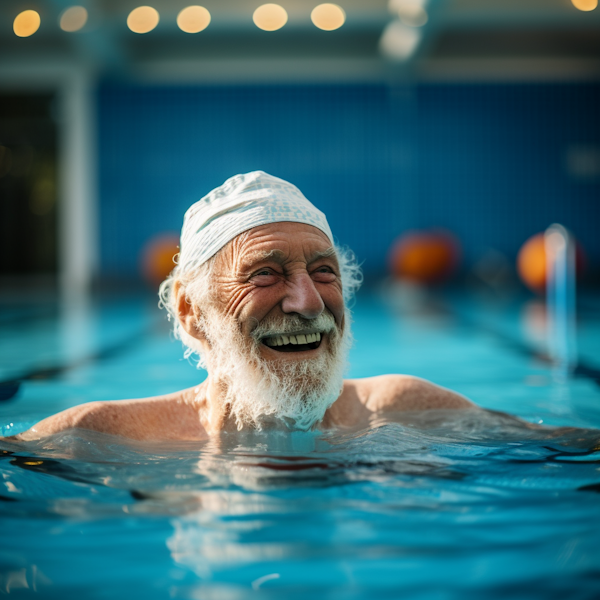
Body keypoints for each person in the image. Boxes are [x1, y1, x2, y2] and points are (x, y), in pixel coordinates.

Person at [16, 171, 474, 442]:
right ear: (191, 311)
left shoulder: (406, 412)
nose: (309, 303)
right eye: (264, 274)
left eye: (323, 272)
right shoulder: (101, 437)